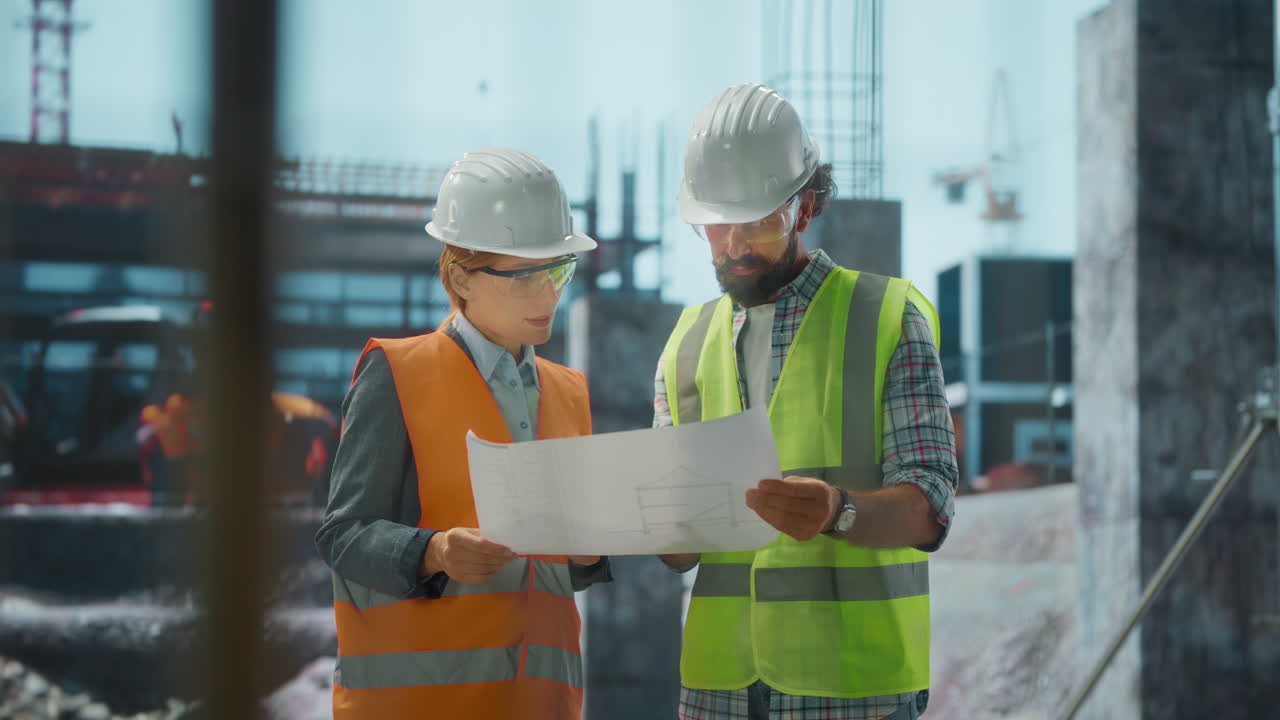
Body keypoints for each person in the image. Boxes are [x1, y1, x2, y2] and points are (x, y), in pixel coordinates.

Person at [655, 83, 958, 720]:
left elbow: (930, 505)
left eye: (759, 220)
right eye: (716, 223)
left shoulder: (887, 316)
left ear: (806, 206)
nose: (735, 244)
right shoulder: (686, 342)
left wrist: (838, 512)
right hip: (719, 687)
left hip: (854, 686)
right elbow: (677, 547)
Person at [316, 147, 611, 719]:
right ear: (459, 276)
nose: (549, 294)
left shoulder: (569, 392)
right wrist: (434, 552)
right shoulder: (397, 372)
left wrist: (591, 550)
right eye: (524, 275)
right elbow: (342, 535)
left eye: (558, 270)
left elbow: (551, 572)